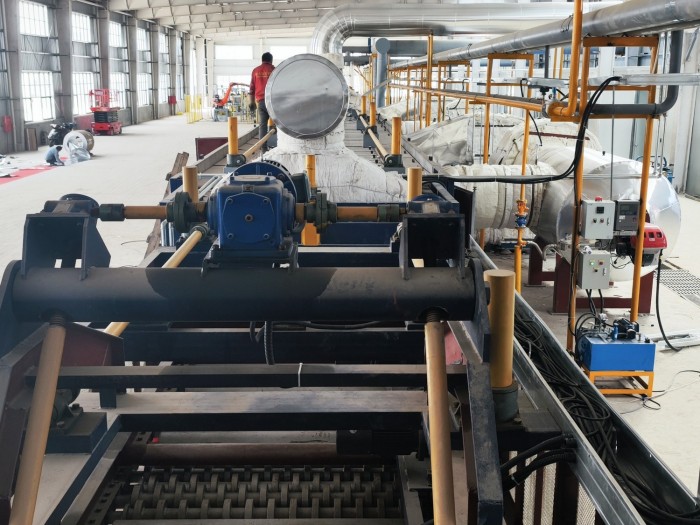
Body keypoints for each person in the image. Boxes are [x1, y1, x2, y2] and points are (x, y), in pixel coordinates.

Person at [249, 52, 274, 150]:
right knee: (279, 124)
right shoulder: (274, 70)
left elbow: (251, 88)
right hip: (272, 102)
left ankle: (263, 149)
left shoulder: (255, 71)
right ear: (271, 60)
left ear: (262, 60)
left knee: (262, 126)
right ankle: (278, 145)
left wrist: (251, 102)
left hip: (261, 102)